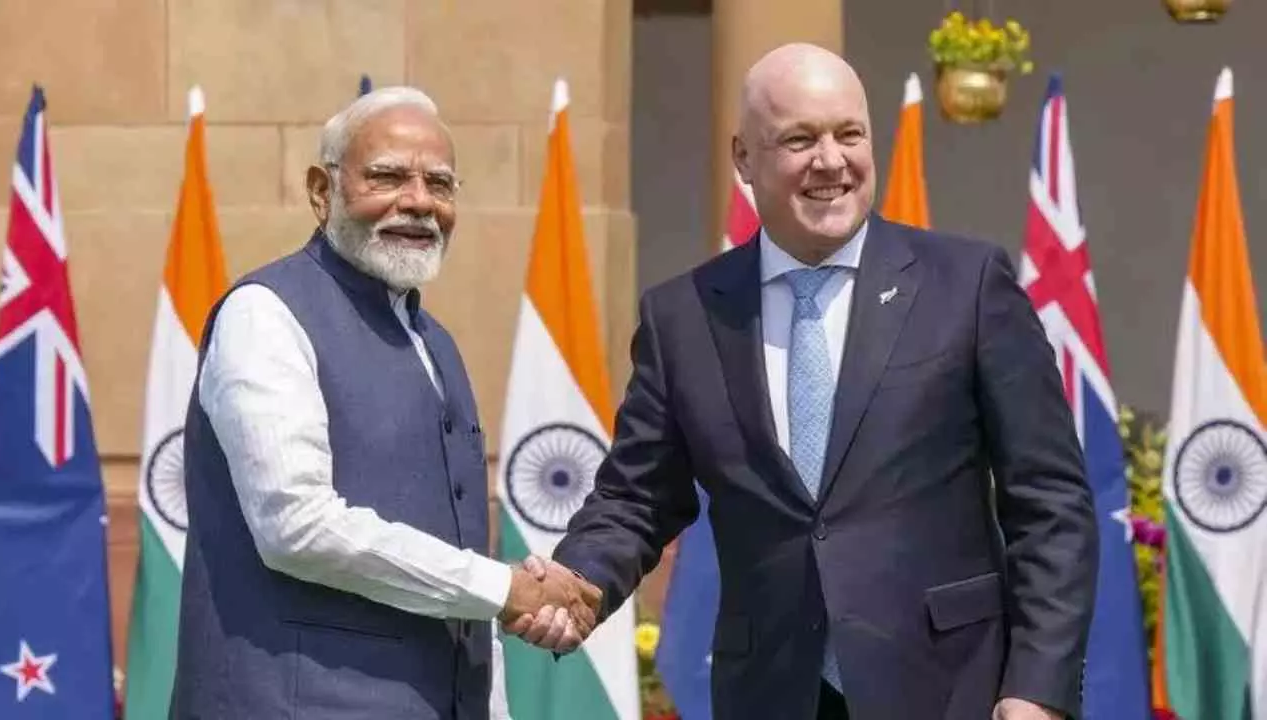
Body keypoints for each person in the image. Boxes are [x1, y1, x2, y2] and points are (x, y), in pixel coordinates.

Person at [521, 44, 1100, 720]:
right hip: (770, 693)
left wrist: (1037, 687)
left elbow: (1050, 500)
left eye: (849, 134)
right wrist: (579, 578)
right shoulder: (685, 316)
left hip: (951, 691)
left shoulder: (967, 286)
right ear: (744, 158)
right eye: (799, 140)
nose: (831, 161)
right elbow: (637, 498)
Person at [169, 86, 599, 720]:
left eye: (440, 184)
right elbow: (296, 526)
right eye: (388, 177)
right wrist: (503, 587)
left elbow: (458, 557)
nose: (419, 201)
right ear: (322, 191)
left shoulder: (436, 343)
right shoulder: (265, 314)